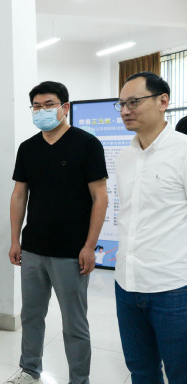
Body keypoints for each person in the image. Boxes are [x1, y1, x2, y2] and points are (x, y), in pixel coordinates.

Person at [7, 81, 108, 384]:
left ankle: (79, 379)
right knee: (31, 316)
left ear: (65, 107)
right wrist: (15, 240)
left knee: (74, 323)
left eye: (49, 105)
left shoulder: (87, 144)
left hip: (71, 251)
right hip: (33, 248)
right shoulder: (28, 148)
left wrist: (89, 246)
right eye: (36, 106)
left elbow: (100, 197)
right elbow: (19, 195)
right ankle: (29, 370)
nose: (42, 111)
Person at [114, 72, 187, 384]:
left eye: (134, 102)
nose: (125, 110)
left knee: (181, 373)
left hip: (173, 287)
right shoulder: (124, 157)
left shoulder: (183, 151)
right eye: (121, 104)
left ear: (163, 101)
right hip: (126, 284)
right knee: (141, 371)